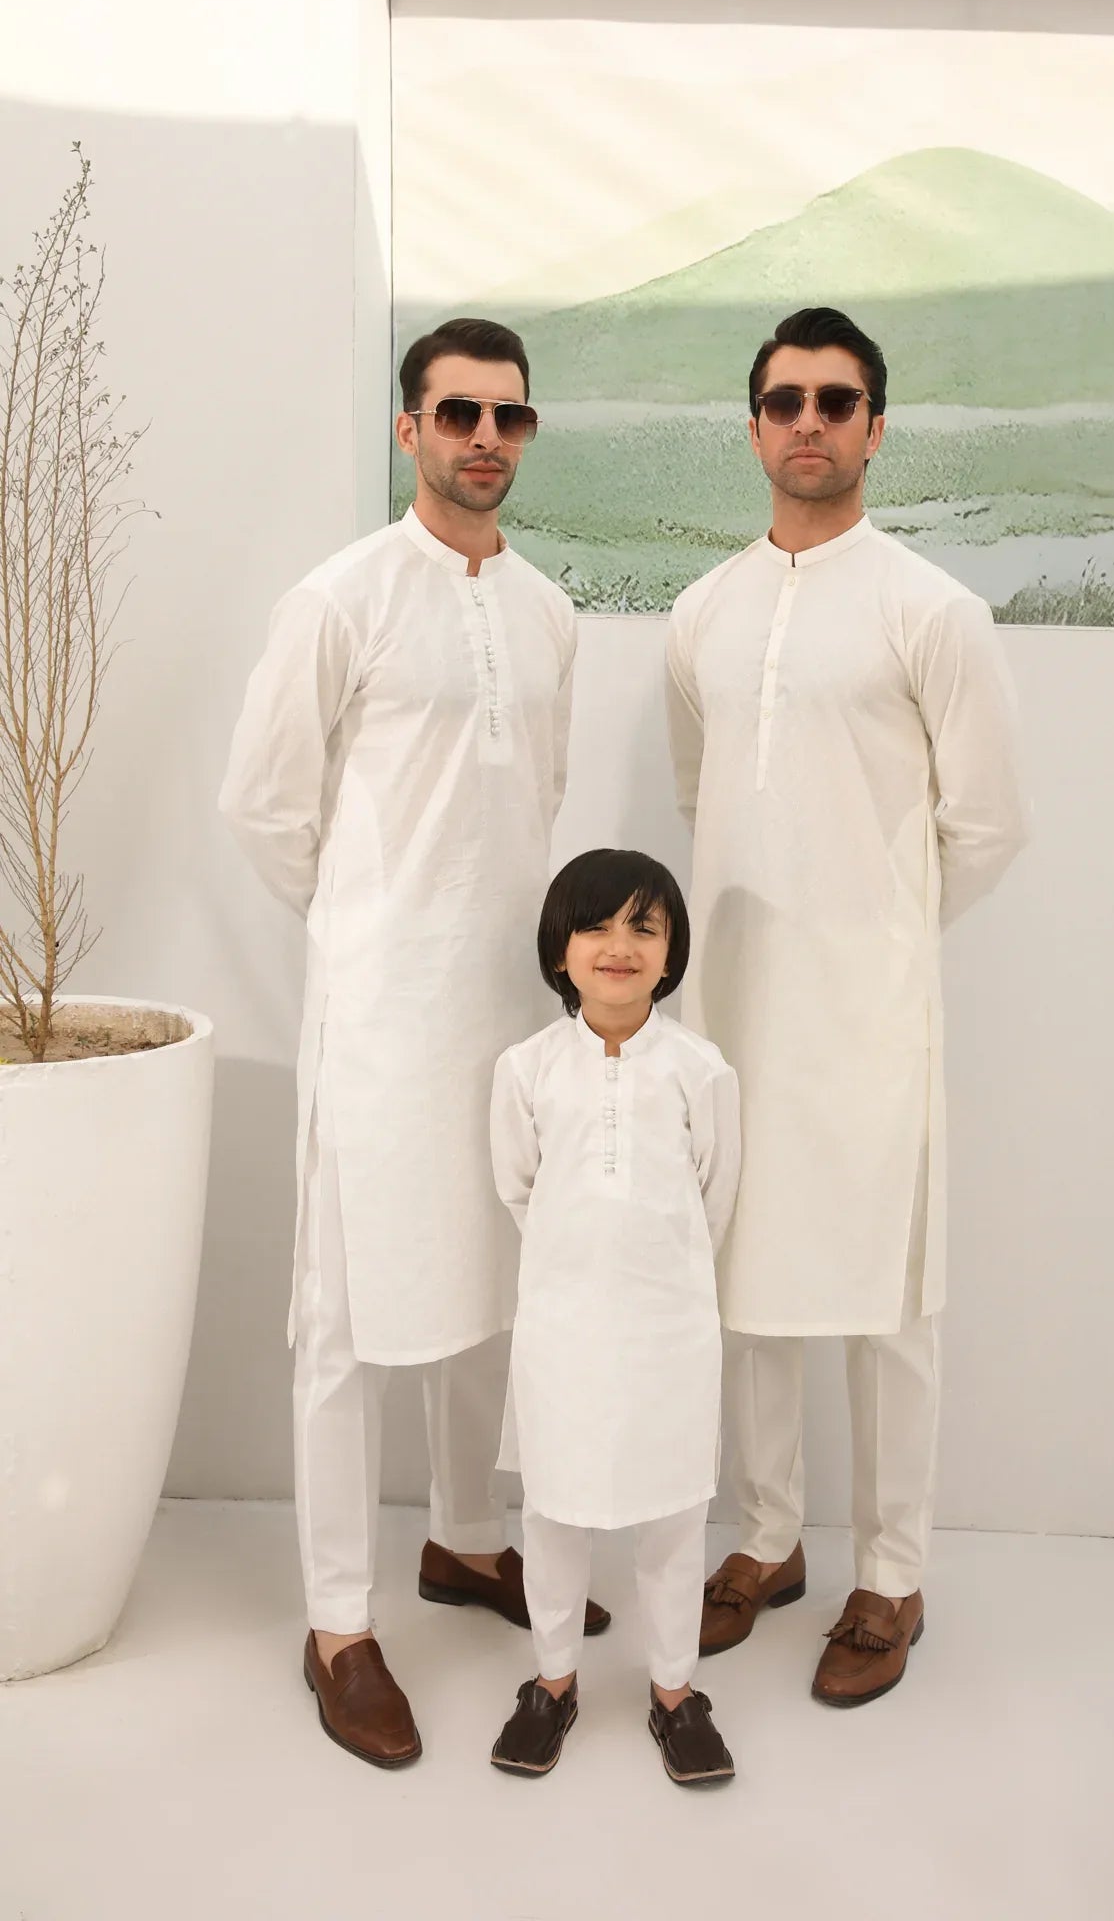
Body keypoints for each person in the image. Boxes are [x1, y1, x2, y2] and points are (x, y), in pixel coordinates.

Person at [219, 318, 606, 1769]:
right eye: (458, 413)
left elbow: (542, 796)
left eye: (509, 414)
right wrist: (367, 926)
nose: (485, 437)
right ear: (410, 431)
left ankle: (461, 1539)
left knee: (489, 1280)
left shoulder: (552, 615)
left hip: (511, 1011)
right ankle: (337, 1621)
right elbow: (264, 805)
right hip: (381, 1009)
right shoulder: (339, 600)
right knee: (343, 1313)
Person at [665, 306, 1029, 1707]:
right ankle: (766, 1540)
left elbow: (987, 825)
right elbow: (706, 795)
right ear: (751, 425)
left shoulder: (930, 609)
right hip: (735, 998)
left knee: (889, 1295)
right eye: (782, 399)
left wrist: (878, 935)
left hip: (874, 1007)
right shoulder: (703, 614)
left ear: (876, 425)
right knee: (744, 1275)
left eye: (836, 398)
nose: (807, 420)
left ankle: (890, 1569)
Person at [487, 849, 741, 1784]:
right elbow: (519, 1189)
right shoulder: (525, 1069)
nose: (619, 946)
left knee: (675, 1517)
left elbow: (713, 1195)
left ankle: (675, 1692)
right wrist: (580, 1266)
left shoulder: (699, 1070)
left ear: (671, 952)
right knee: (555, 1513)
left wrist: (650, 1273)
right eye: (595, 925)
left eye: (645, 925)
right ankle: (552, 1684)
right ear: (559, 951)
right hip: (561, 1330)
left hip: (670, 1330)